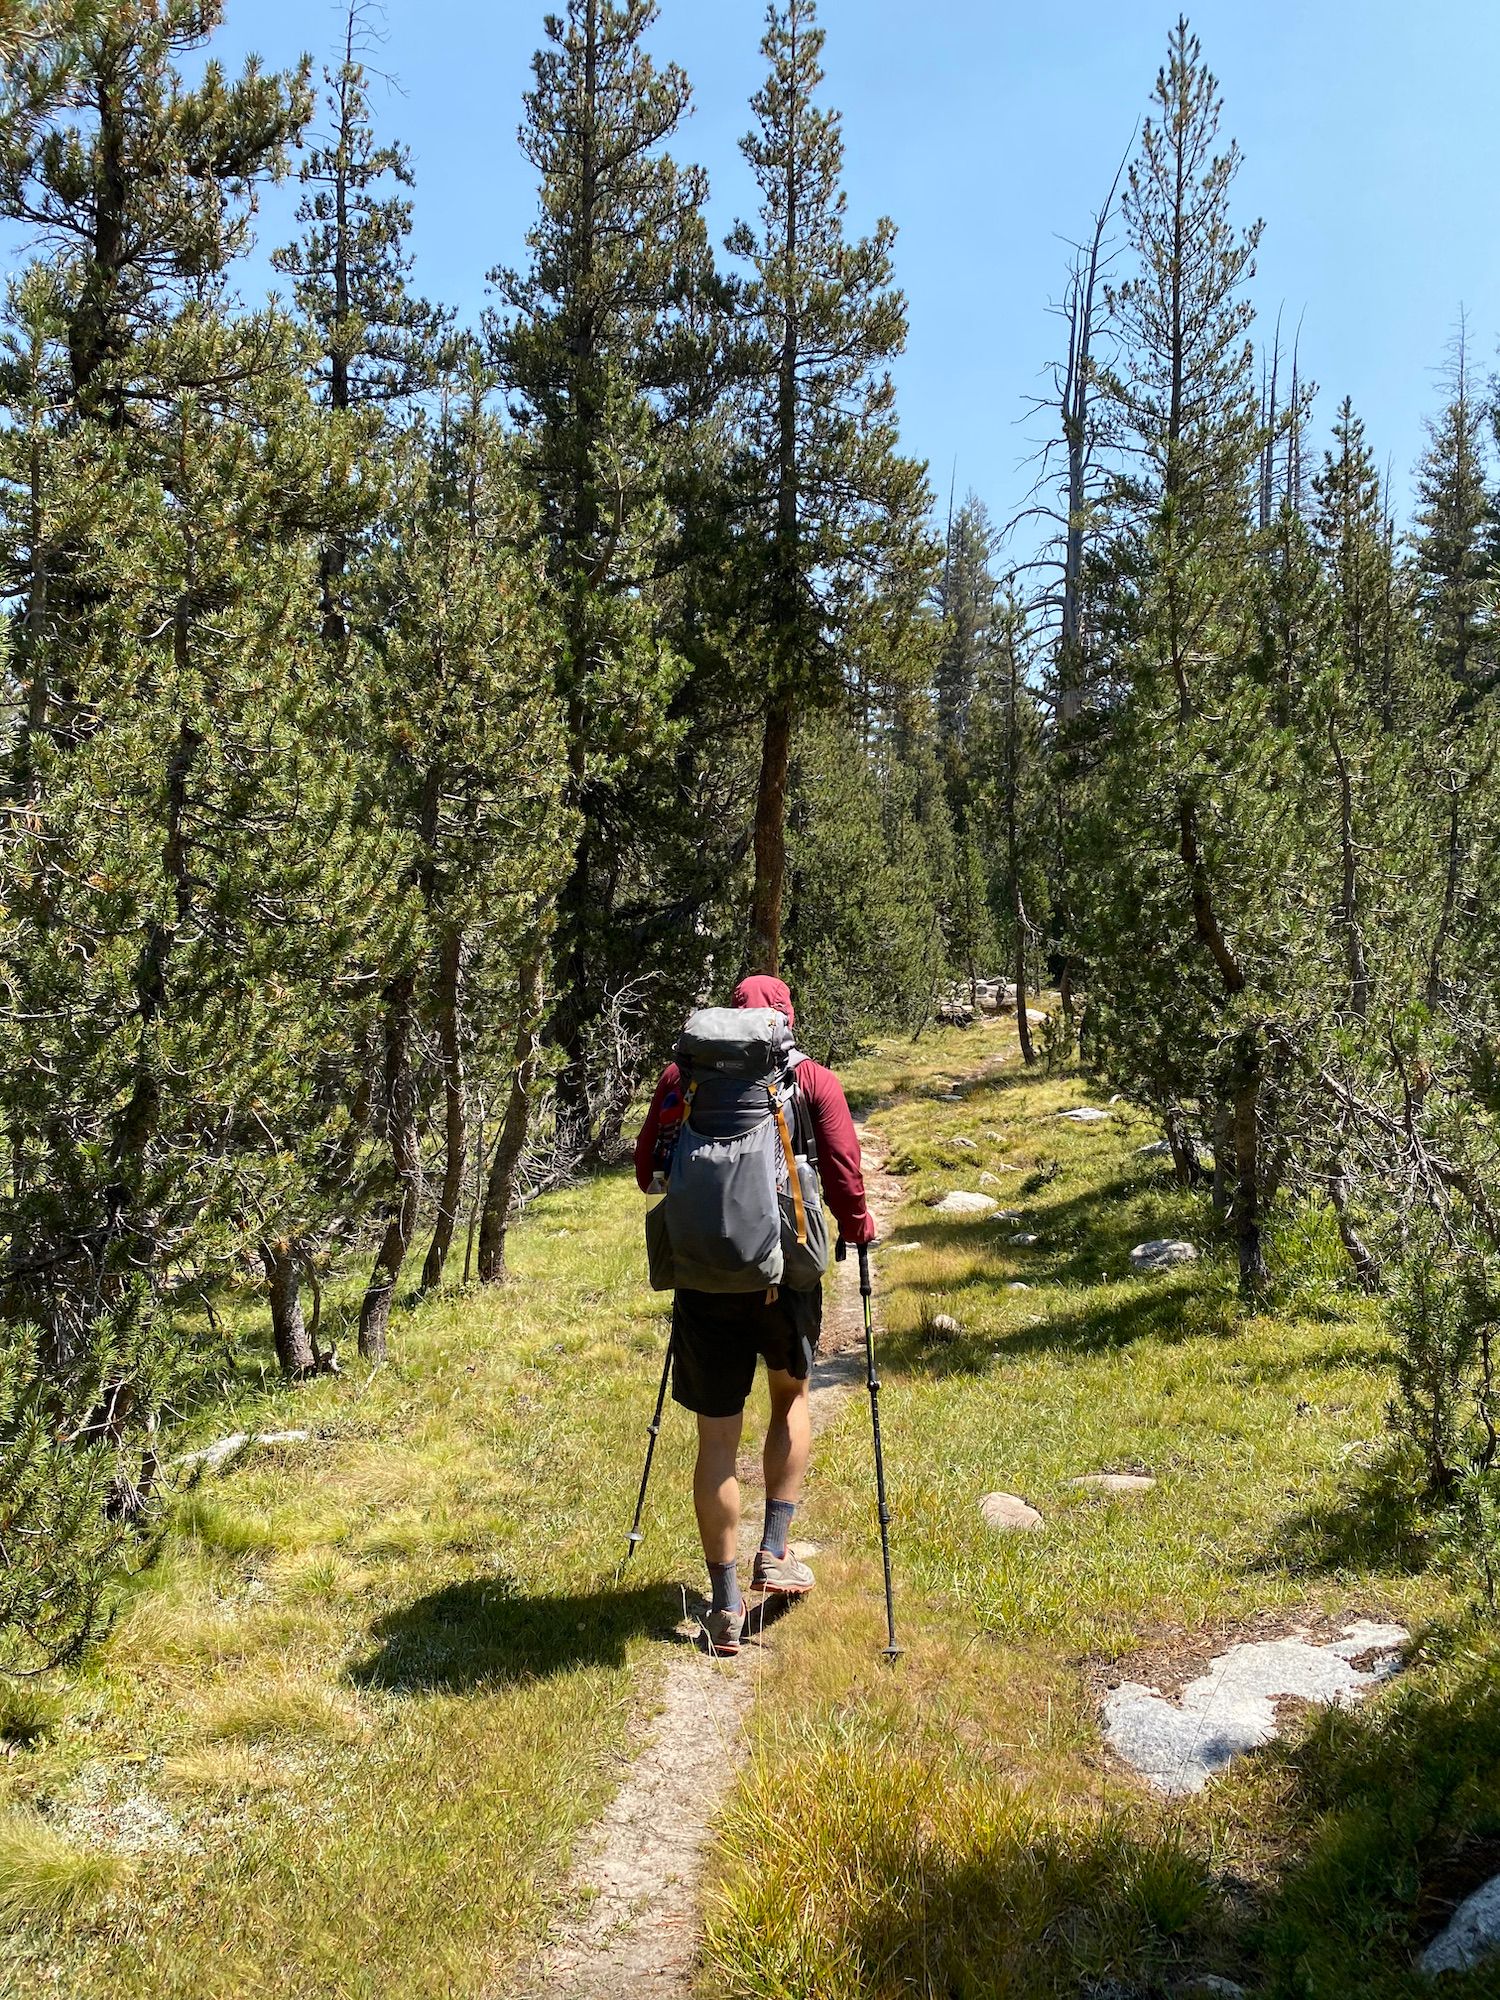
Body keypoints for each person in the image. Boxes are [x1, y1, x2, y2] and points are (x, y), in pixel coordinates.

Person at [634, 974, 876, 1654]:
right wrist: (857, 1227)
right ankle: (774, 1549)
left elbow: (646, 1169)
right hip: (785, 1279)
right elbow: (842, 1170)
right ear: (785, 1017)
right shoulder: (810, 1078)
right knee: (789, 1399)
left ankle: (723, 1605)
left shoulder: (684, 1076)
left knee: (716, 1442)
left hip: (703, 1284)